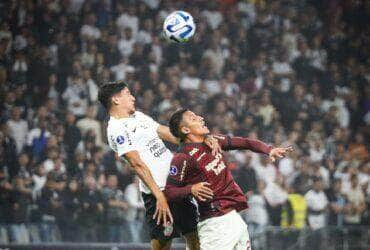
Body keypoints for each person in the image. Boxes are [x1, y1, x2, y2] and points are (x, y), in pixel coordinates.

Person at [98, 81, 219, 249]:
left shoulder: (138, 116)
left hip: (177, 184)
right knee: (162, 243)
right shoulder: (116, 129)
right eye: (128, 94)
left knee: (194, 235)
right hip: (158, 193)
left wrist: (196, 139)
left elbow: (164, 132)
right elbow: (137, 164)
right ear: (116, 99)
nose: (133, 97)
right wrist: (160, 197)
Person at [164, 108, 292, 250]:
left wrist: (269, 150)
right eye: (193, 118)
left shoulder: (213, 140)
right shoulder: (182, 157)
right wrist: (191, 189)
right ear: (186, 130)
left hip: (234, 219)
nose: (200, 118)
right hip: (215, 224)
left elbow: (245, 143)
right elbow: (169, 192)